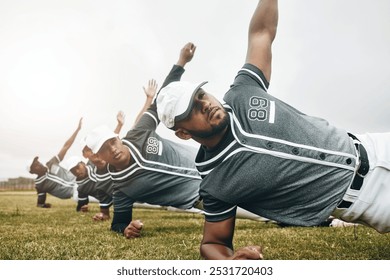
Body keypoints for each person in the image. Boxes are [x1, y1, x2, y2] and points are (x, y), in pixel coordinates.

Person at [156, 0, 390, 260]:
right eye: (191, 110)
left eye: (201, 94)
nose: (205, 104)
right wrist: (230, 262)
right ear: (184, 133)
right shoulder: (215, 183)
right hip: (366, 201)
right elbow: (213, 242)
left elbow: (261, 33)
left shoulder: (242, 92)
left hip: (374, 145)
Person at [29, 118, 82, 208]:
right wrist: (43, 205)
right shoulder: (40, 184)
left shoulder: (51, 163)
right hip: (76, 192)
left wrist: (77, 130)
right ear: (32, 172)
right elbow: (40, 203)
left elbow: (66, 146)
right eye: (35, 166)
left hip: (81, 179)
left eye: (38, 162)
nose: (39, 164)